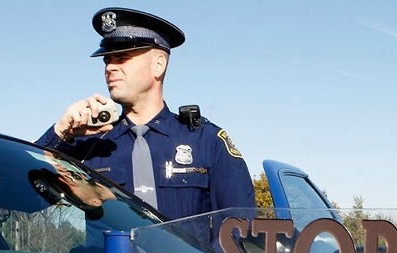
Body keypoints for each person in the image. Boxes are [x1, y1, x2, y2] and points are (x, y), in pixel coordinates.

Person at [35, 7, 255, 224]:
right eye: (107, 60)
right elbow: (18, 199)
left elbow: (239, 225)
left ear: (158, 64)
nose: (110, 67)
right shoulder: (88, 144)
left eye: (122, 57)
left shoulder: (206, 141)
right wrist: (59, 134)